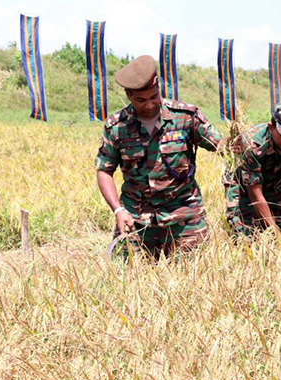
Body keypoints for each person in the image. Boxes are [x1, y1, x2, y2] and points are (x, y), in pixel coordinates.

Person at [95, 55, 222, 258]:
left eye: (154, 96)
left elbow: (221, 146)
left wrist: (240, 141)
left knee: (195, 278)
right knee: (124, 277)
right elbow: (104, 170)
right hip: (136, 218)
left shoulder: (185, 117)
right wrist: (118, 211)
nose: (149, 105)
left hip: (184, 215)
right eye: (141, 100)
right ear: (128, 95)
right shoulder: (117, 127)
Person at [223, 101, 281, 238]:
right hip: (244, 187)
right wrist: (276, 237)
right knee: (246, 238)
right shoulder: (252, 145)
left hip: (275, 184)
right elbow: (256, 196)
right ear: (271, 128)